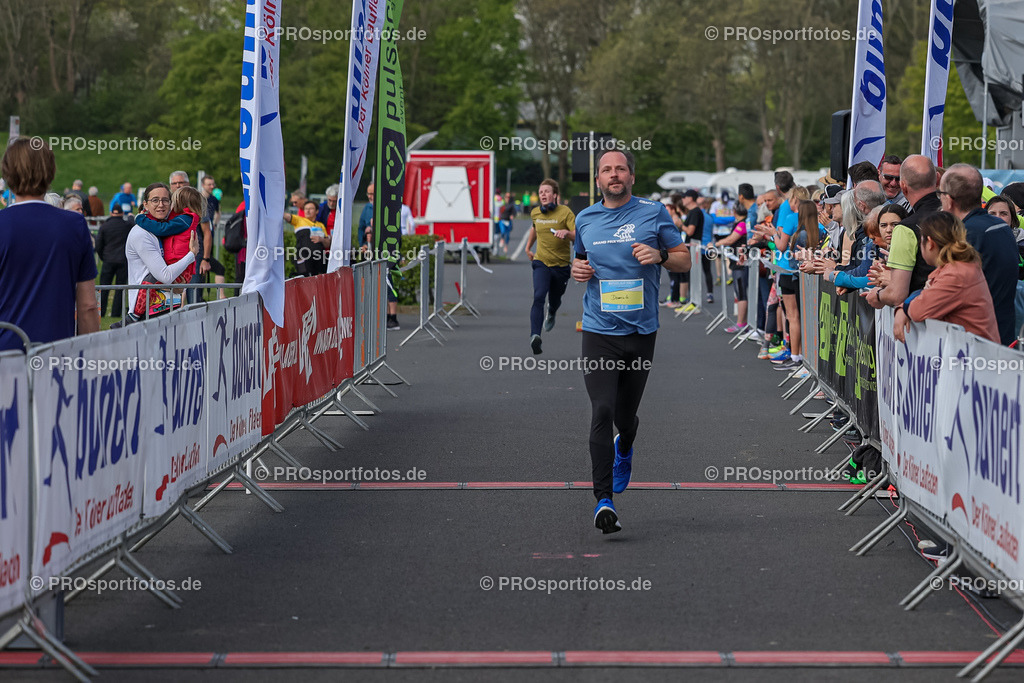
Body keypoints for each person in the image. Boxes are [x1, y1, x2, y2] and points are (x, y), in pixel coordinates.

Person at [571, 150, 690, 534]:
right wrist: (577, 269)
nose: (614, 174)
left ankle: (625, 445)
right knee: (602, 410)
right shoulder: (585, 219)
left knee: (624, 418)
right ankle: (603, 500)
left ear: (631, 177)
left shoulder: (654, 213)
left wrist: (659, 255)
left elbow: (684, 260)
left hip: (641, 332)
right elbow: (580, 261)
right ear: (598, 180)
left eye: (620, 168)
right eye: (606, 170)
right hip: (599, 330)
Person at [0, 138, 99, 350]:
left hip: (6, 352)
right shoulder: (75, 225)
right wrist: (91, 357)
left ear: (7, 174)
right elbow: (88, 305)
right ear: (51, 172)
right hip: (57, 351)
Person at [938, 163, 1019, 345]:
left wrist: (906, 306)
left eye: (940, 194)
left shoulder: (965, 234)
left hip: (974, 343)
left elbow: (946, 292)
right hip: (1002, 339)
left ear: (949, 199)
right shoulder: (1002, 228)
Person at [893, 212, 999, 344]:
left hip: (973, 353)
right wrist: (904, 307)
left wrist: (903, 308)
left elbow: (918, 310)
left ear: (930, 243)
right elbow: (925, 297)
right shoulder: (957, 267)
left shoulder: (956, 274)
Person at [123, 183, 198, 323]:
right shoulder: (141, 233)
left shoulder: (164, 229)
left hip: (169, 306)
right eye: (155, 200)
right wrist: (192, 254)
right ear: (145, 205)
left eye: (165, 200)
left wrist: (178, 287)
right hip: (147, 311)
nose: (161, 204)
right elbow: (165, 276)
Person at [525, 179, 576, 354]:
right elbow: (534, 229)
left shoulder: (565, 212)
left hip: (561, 266)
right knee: (539, 296)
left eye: (547, 191)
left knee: (554, 299)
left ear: (555, 195)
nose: (543, 195)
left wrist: (567, 233)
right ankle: (535, 336)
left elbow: (577, 235)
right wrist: (528, 247)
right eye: (541, 192)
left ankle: (552, 310)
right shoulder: (535, 213)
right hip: (541, 262)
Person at [94, 205, 133, 317]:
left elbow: (98, 245)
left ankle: (101, 312)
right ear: (122, 213)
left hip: (108, 260)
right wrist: (131, 217)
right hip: (122, 260)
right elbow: (132, 223)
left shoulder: (105, 226)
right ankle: (116, 313)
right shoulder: (126, 225)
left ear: (111, 213)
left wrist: (103, 257)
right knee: (120, 288)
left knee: (104, 288)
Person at [284, 199, 328, 276]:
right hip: (303, 257)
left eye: (311, 209)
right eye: (306, 209)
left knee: (319, 280)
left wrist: (321, 239)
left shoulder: (321, 225)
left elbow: (327, 244)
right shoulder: (299, 220)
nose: (307, 211)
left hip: (318, 259)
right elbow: (286, 216)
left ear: (317, 211)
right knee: (305, 279)